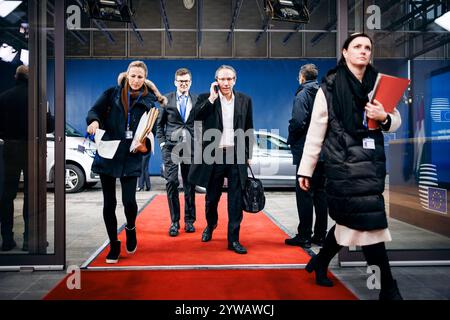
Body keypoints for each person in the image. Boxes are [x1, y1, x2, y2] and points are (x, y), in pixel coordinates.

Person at [298, 33, 403, 300]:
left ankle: (320, 262)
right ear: (345, 52)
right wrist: (305, 169)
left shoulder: (379, 84)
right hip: (342, 165)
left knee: (351, 220)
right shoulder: (329, 87)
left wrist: (384, 117)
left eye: (368, 47)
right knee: (368, 221)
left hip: (370, 164)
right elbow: (316, 131)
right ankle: (388, 289)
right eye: (357, 46)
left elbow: (396, 120)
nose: (363, 51)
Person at [86, 60, 164, 264]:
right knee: (109, 203)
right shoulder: (111, 94)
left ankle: (130, 227)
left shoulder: (149, 102)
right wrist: (94, 121)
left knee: (129, 201)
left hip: (131, 156)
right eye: (133, 75)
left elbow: (151, 131)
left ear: (145, 78)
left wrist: (145, 145)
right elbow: (94, 111)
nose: (136, 80)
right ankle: (113, 243)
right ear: (127, 75)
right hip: (109, 154)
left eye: (140, 76)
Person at [189, 65, 254, 254]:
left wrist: (248, 154)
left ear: (235, 80)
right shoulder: (205, 98)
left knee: (235, 200)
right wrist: (211, 99)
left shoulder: (245, 100)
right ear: (216, 80)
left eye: (229, 79)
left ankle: (233, 240)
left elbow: (249, 126)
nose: (225, 83)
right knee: (211, 199)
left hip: (236, 155)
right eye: (222, 79)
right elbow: (195, 118)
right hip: (214, 155)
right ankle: (210, 225)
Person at [0, 65, 54, 252]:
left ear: (16, 77)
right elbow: (49, 127)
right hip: (32, 149)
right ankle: (28, 240)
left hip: (10, 148)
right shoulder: (38, 98)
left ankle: (7, 239)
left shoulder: (4, 97)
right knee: (31, 196)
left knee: (7, 195)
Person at [286, 63, 328, 248]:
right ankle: (320, 235)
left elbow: (297, 121)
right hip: (324, 152)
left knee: (304, 194)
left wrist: (292, 137)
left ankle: (304, 235)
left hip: (306, 150)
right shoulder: (324, 93)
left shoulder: (302, 94)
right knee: (320, 194)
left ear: (301, 77)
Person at [156, 68, 198, 237]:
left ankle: (189, 221)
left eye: (186, 81)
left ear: (190, 82)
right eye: (181, 81)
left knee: (190, 185)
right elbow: (159, 125)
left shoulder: (196, 100)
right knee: (172, 182)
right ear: (175, 82)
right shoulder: (166, 100)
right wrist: (162, 144)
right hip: (171, 148)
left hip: (190, 147)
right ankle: (175, 221)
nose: (184, 84)